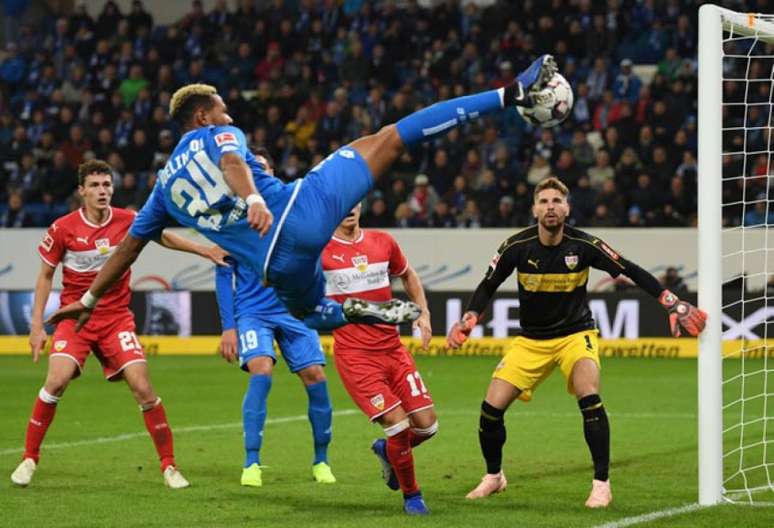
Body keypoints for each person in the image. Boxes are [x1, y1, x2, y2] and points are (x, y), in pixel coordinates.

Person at [46, 55, 559, 334]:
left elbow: (129, 248)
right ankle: (510, 94)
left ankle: (358, 311)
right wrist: (252, 199)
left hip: (279, 268)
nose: (230, 115)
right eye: (223, 109)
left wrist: (88, 298)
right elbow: (230, 163)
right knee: (391, 136)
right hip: (297, 210)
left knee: (310, 315)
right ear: (202, 116)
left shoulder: (161, 192)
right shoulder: (215, 134)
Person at [447, 177, 707, 507]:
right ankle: (494, 477)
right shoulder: (516, 247)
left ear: (567, 208)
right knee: (490, 410)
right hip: (531, 340)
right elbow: (487, 285)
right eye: (544, 201)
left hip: (575, 334)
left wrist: (670, 300)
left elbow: (629, 268)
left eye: (557, 201)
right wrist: (470, 317)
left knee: (589, 395)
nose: (550, 207)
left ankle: (601, 484)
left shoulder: (584, 245)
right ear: (534, 209)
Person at [10, 160, 228, 489]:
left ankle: (169, 466)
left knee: (143, 387)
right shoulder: (63, 228)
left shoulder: (128, 220)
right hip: (77, 319)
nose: (103, 191)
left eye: (107, 185)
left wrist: (204, 249)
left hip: (115, 320)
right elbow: (44, 276)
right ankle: (29, 458)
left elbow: (163, 237)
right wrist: (37, 326)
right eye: (95, 186)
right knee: (56, 381)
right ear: (81, 191)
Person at [214, 150, 335, 488]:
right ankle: (252, 462)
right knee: (262, 371)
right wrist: (228, 326)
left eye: (261, 169)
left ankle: (321, 460)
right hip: (254, 313)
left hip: (293, 310)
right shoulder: (231, 220)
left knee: (315, 376)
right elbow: (224, 274)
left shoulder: (290, 209)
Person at [321, 204, 436, 515]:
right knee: (398, 425)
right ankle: (412, 495)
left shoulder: (383, 242)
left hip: (394, 350)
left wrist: (423, 313)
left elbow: (408, 275)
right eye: (342, 202)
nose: (348, 208)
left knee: (427, 427)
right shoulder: (319, 251)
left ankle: (387, 451)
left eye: (354, 200)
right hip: (356, 357)